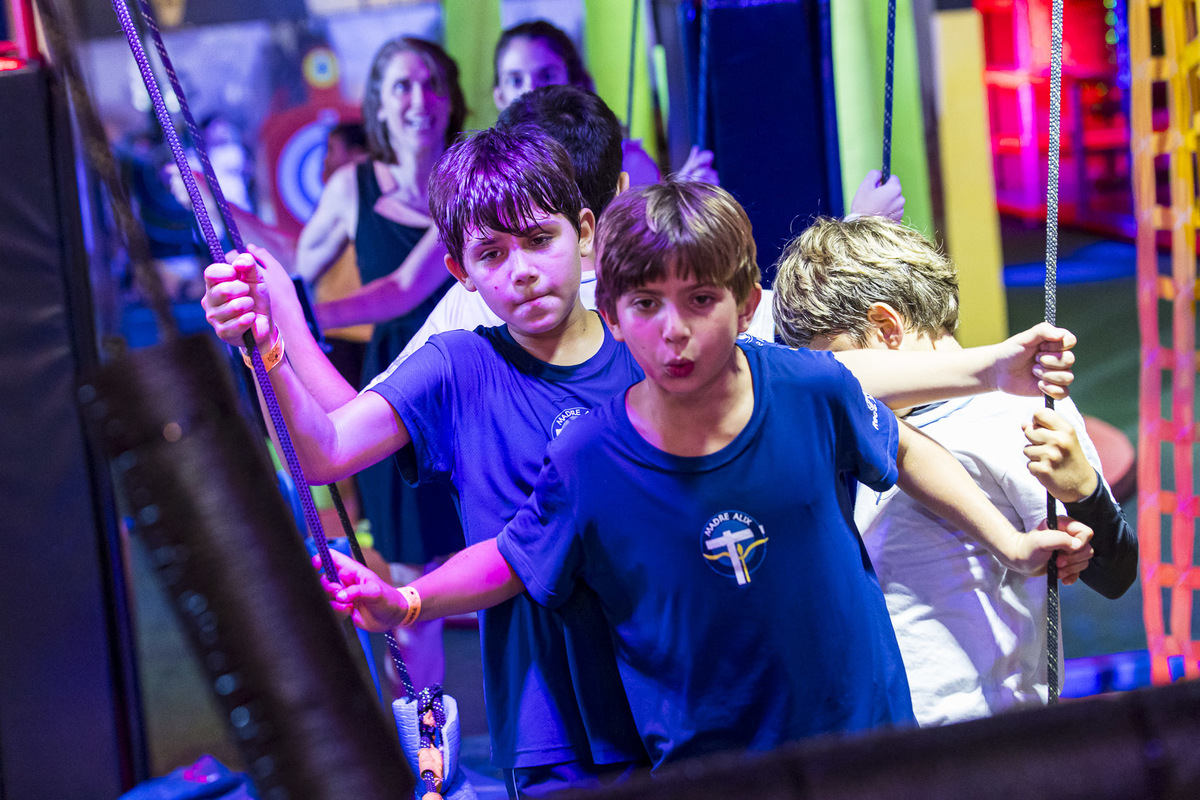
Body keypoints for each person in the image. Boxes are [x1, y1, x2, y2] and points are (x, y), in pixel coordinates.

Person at [313, 179, 1095, 772]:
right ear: (613, 315)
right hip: (706, 765)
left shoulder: (809, 390)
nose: (675, 330)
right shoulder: (589, 456)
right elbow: (515, 557)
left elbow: (906, 447)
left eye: (700, 299)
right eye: (647, 304)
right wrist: (407, 600)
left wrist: (1010, 541)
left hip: (863, 741)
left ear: (746, 306)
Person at [770, 215, 1137, 726]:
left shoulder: (1010, 411)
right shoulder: (856, 423)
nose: (828, 388)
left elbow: (1113, 573)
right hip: (878, 731)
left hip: (979, 732)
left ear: (886, 329)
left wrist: (1084, 492)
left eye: (831, 360)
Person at [292, 37, 468, 688]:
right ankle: (431, 743)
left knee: (506, 564)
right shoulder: (353, 186)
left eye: (431, 83)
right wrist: (223, 213)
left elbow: (401, 289)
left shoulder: (472, 177)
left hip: (475, 381)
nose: (419, 99)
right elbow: (298, 265)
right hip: (399, 389)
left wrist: (300, 314)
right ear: (380, 105)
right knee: (409, 584)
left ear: (450, 97)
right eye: (401, 86)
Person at [492, 19, 713, 185]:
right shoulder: (490, 172)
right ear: (499, 96)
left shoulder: (625, 161)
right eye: (515, 80)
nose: (531, 89)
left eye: (547, 75)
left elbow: (651, 222)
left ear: (575, 82)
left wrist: (678, 198)